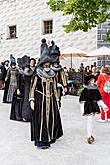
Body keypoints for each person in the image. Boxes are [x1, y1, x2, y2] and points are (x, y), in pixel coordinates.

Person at [29, 55, 63, 149]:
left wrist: (57, 99)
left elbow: (55, 88)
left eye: (48, 66)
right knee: (41, 120)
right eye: (45, 66)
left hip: (51, 100)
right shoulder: (37, 75)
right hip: (40, 100)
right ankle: (42, 141)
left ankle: (50, 136)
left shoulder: (53, 75)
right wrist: (32, 100)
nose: (47, 68)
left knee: (52, 118)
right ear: (42, 66)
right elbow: (32, 88)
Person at [79, 75, 108, 144]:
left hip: (94, 106)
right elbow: (82, 101)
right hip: (88, 106)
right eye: (91, 80)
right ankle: (89, 136)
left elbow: (99, 100)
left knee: (91, 121)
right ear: (88, 81)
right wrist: (82, 110)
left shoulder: (96, 89)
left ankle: (90, 134)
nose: (93, 81)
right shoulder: (85, 90)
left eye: (93, 80)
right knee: (90, 121)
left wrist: (104, 106)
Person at [10, 55, 33, 122]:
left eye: (28, 67)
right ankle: (24, 116)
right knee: (23, 103)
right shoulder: (20, 73)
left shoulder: (31, 73)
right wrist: (18, 89)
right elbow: (18, 82)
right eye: (26, 67)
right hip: (22, 89)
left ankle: (29, 116)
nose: (27, 68)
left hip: (29, 89)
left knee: (29, 102)